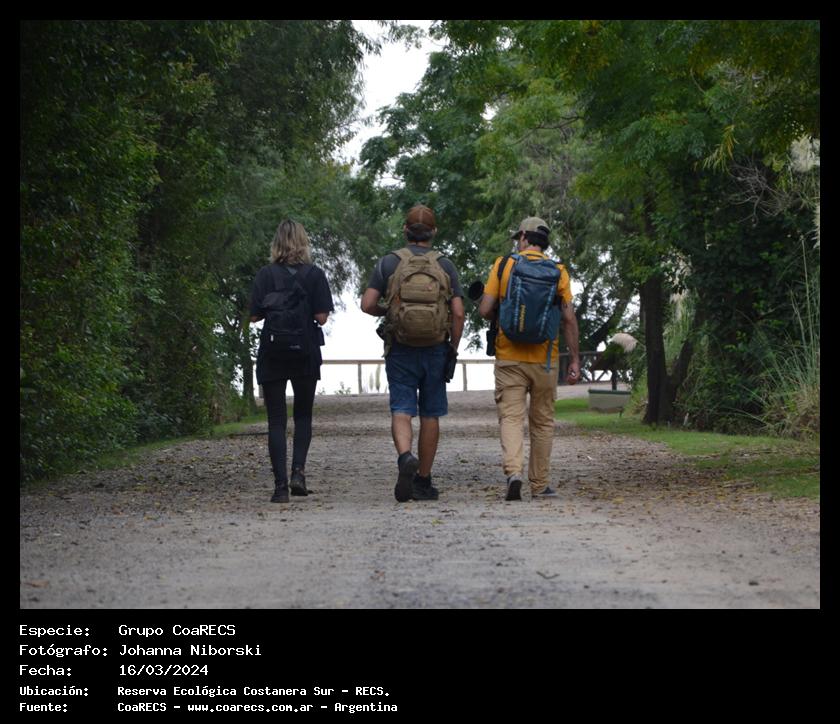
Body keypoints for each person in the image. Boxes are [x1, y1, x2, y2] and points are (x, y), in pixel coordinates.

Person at [361, 204, 465, 502]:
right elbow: (458, 313)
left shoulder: (389, 263)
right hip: (435, 348)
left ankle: (405, 456)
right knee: (431, 414)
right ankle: (423, 481)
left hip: (401, 347)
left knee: (402, 409)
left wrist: (389, 311)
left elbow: (367, 304)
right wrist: (453, 348)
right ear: (434, 232)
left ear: (405, 230)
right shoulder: (445, 265)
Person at [478, 217, 580, 502]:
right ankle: (540, 485)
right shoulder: (559, 272)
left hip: (509, 357)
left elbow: (485, 310)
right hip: (545, 359)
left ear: (523, 236)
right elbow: (568, 318)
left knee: (511, 417)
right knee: (543, 422)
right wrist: (574, 359)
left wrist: (499, 310)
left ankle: (514, 473)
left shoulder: (503, 265)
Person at [249, 220, 334, 503]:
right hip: (305, 351)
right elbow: (322, 317)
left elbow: (254, 316)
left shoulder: (265, 275)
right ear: (303, 243)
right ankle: (298, 472)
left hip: (273, 351)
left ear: (276, 244)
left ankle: (280, 487)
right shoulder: (315, 274)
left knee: (276, 420)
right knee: (303, 416)